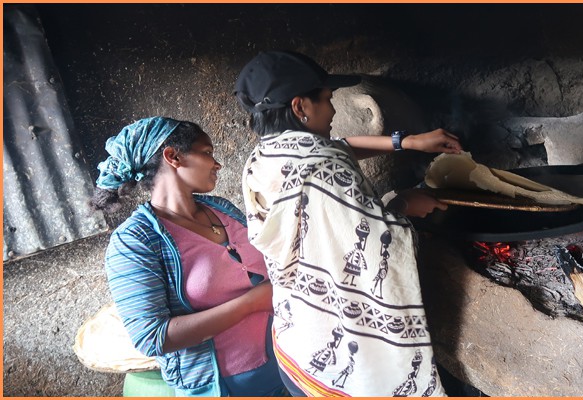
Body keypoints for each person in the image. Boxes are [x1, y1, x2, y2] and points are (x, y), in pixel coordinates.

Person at [234, 50, 463, 396]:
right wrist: (403, 203)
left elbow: (337, 146)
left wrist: (408, 142)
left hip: (295, 341)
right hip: (341, 363)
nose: (334, 109)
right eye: (326, 99)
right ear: (300, 107)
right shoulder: (324, 170)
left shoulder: (264, 156)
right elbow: (376, 249)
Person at [90, 116, 287, 397]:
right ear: (173, 157)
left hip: (287, 363)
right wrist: (252, 303)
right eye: (207, 153)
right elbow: (152, 337)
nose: (217, 164)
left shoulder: (220, 208)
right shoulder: (135, 241)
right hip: (227, 388)